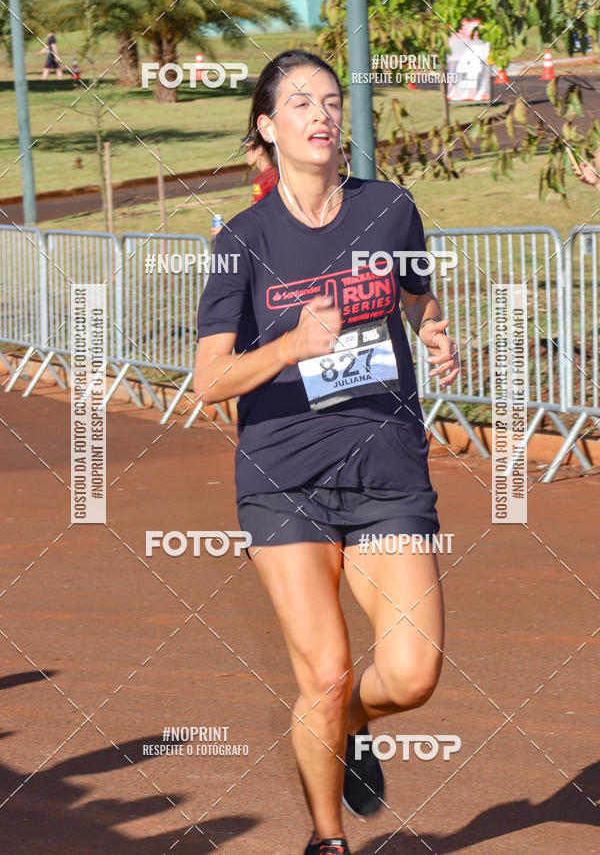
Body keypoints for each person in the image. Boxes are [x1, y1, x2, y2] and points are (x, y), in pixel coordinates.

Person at [194, 50, 460, 855]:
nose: (322, 115)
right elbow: (209, 380)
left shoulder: (391, 209)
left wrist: (434, 332)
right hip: (285, 474)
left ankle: (342, 724)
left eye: (332, 101)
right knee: (325, 671)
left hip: (385, 463)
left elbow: (416, 294)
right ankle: (327, 838)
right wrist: (288, 348)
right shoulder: (241, 241)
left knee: (412, 674)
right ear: (268, 127)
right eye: (301, 103)